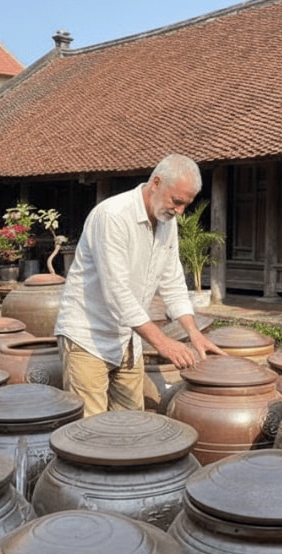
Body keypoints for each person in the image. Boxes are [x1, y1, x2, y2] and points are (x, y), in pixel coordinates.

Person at [54, 153, 225, 416]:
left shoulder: (167, 223)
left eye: (185, 205)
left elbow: (173, 282)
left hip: (128, 336)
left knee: (132, 424)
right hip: (88, 334)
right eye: (176, 201)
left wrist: (193, 332)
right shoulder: (112, 215)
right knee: (89, 430)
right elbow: (116, 293)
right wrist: (164, 343)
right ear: (156, 183)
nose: (179, 211)